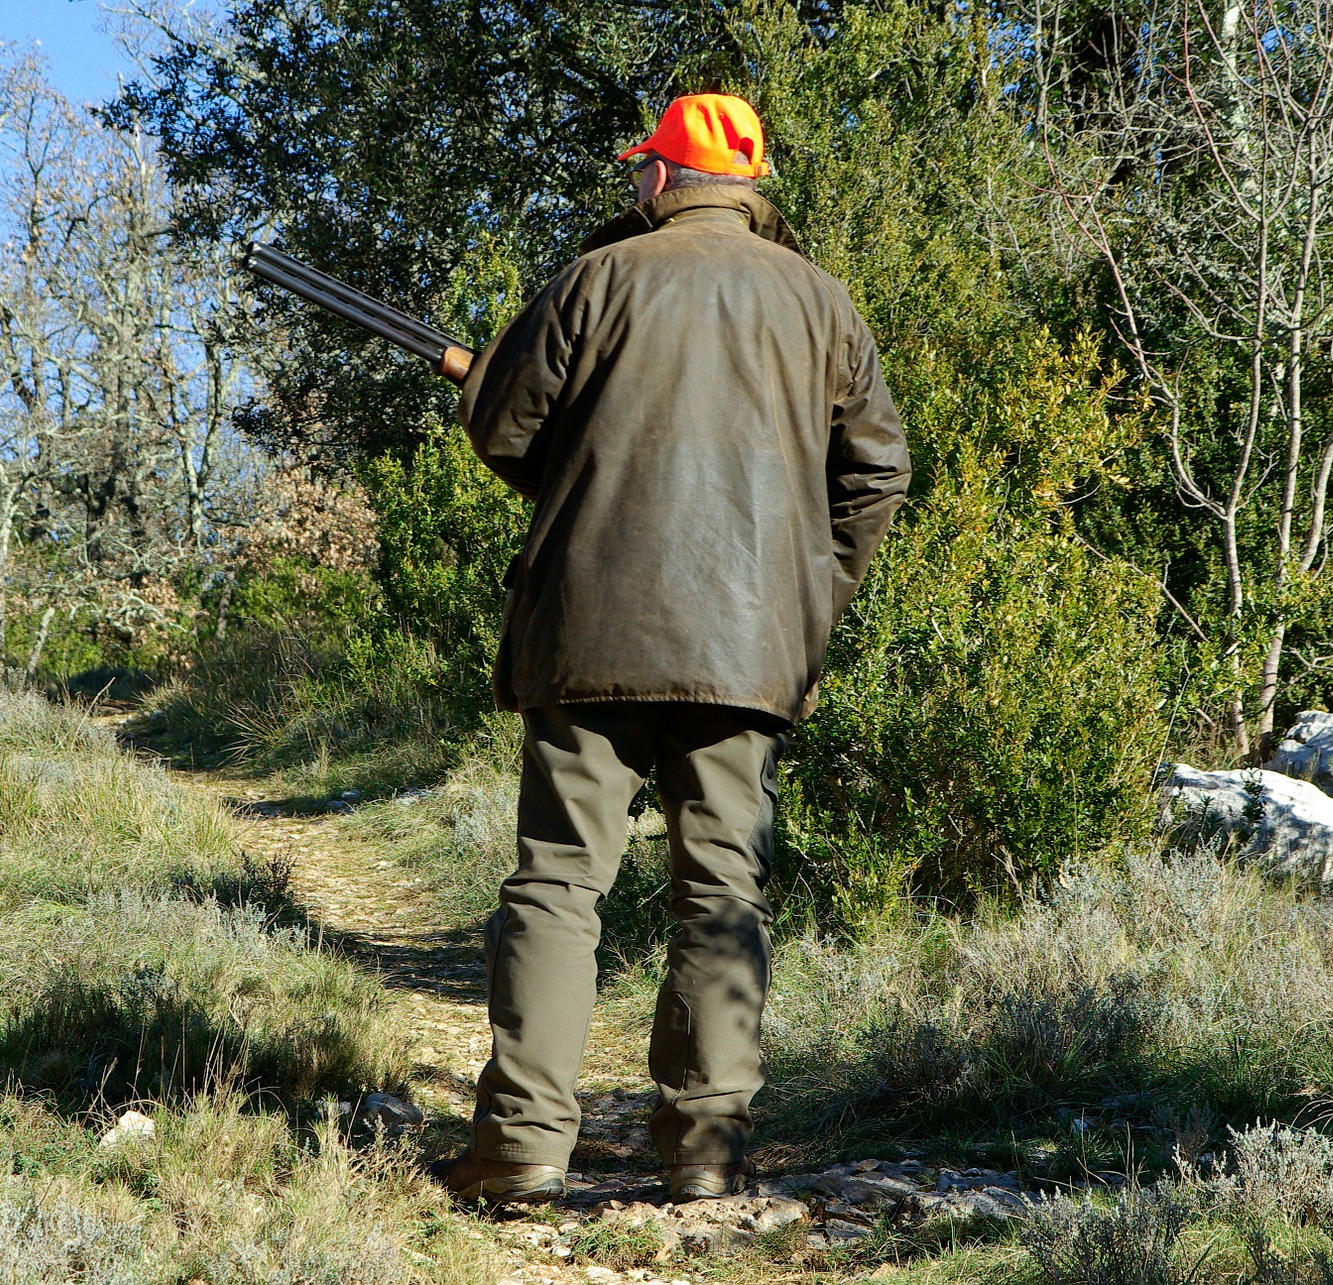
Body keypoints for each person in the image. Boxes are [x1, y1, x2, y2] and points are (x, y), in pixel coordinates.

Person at [429, 93, 910, 1207]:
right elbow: (877, 474)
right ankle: (703, 1149)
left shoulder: (597, 281)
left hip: (586, 635)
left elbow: (506, 429)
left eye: (639, 169)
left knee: (557, 885)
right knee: (721, 892)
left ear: (659, 178)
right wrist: (808, 600)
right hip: (752, 650)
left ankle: (520, 1151)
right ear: (751, 185)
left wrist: (578, 482)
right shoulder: (824, 303)